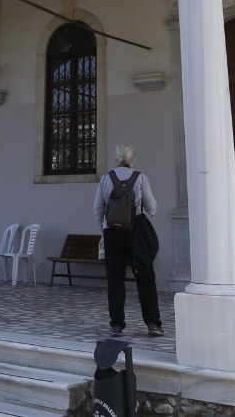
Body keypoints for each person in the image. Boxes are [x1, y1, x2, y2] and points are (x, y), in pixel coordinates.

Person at [92, 143, 163, 338]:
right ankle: (153, 324)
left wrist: (105, 228)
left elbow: (98, 208)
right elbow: (152, 207)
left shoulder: (106, 178)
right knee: (145, 276)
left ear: (117, 159)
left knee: (115, 279)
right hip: (136, 231)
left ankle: (117, 325)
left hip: (112, 232)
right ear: (132, 159)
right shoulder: (140, 178)